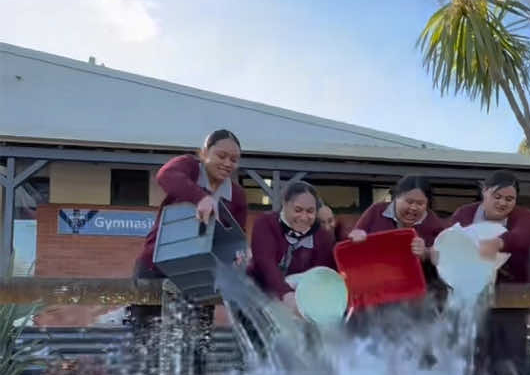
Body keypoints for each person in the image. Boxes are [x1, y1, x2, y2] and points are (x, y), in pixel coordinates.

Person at [448, 171, 530, 373]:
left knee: (510, 363)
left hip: (512, 301)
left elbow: (528, 234)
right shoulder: (464, 214)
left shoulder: (523, 216)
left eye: (510, 199)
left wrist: (500, 242)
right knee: (472, 359)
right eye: (497, 197)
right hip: (469, 299)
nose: (503, 203)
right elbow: (448, 240)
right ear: (484, 193)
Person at [134, 128, 247, 280]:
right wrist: (201, 198)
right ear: (205, 153)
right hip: (156, 264)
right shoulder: (189, 166)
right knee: (143, 302)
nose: (227, 163)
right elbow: (165, 175)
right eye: (221, 156)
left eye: (234, 160)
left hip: (199, 274)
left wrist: (240, 255)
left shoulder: (237, 195)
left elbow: (237, 238)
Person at [248, 181, 335, 310]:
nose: (304, 217)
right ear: (285, 204)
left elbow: (321, 273)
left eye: (310, 211)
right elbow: (265, 263)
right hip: (259, 293)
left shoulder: (322, 236)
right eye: (298, 210)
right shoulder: (265, 223)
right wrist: (286, 294)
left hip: (301, 299)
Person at [349, 175, 445, 262]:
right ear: (396, 197)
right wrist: (357, 236)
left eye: (420, 203)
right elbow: (353, 238)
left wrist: (426, 253)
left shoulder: (432, 220)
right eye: (409, 202)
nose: (413, 208)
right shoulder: (376, 210)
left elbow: (445, 255)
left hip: (412, 275)